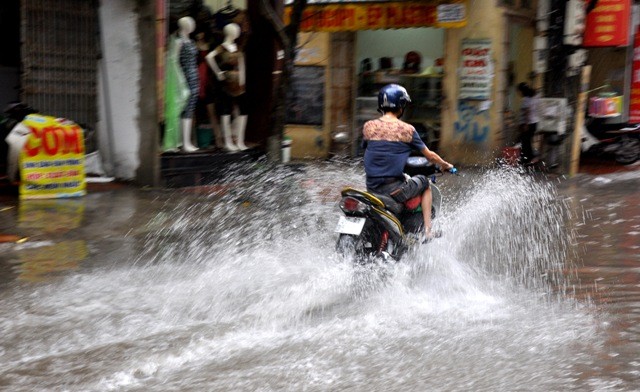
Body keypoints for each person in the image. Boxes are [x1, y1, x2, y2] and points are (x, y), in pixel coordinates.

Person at [362, 84, 454, 240]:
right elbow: (430, 156)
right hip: (393, 190)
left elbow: (371, 151)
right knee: (424, 182)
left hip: (371, 187)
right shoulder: (407, 130)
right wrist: (446, 165)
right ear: (400, 106)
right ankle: (428, 231)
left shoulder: (368, 127)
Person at [205, 22, 248, 151]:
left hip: (239, 84)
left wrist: (242, 81)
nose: (238, 32)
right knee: (226, 111)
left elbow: (241, 65)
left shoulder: (237, 47)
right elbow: (209, 57)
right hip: (226, 83)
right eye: (236, 30)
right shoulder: (222, 48)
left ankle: (240, 140)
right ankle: (227, 142)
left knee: (243, 111)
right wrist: (218, 72)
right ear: (230, 32)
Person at [517, 82, 540, 164]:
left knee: (525, 141)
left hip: (528, 123)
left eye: (518, 91)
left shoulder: (525, 99)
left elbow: (527, 111)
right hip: (534, 122)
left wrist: (526, 124)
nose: (518, 93)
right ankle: (529, 158)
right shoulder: (534, 97)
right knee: (527, 141)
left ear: (521, 91)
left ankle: (527, 158)